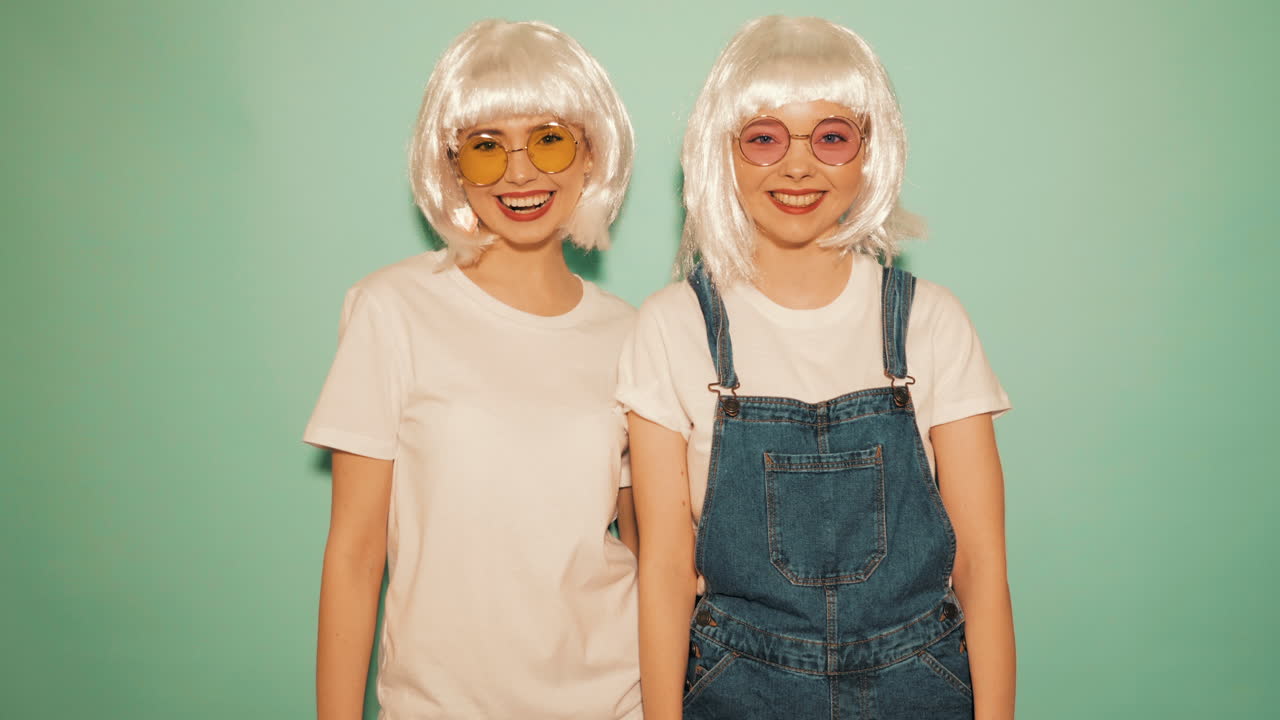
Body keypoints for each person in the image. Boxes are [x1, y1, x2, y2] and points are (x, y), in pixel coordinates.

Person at [621, 16, 1015, 719]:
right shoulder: (671, 327)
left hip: (919, 687)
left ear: (871, 153)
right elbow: (666, 575)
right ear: (724, 155)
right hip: (736, 691)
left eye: (831, 137)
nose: (796, 167)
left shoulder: (931, 322)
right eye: (764, 138)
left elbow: (981, 567)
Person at [304, 19, 641, 719]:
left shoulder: (633, 333)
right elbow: (355, 555)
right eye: (487, 148)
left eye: (548, 139)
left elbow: (649, 545)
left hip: (614, 699)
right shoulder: (391, 309)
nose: (519, 173)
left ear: (591, 154)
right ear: (453, 165)